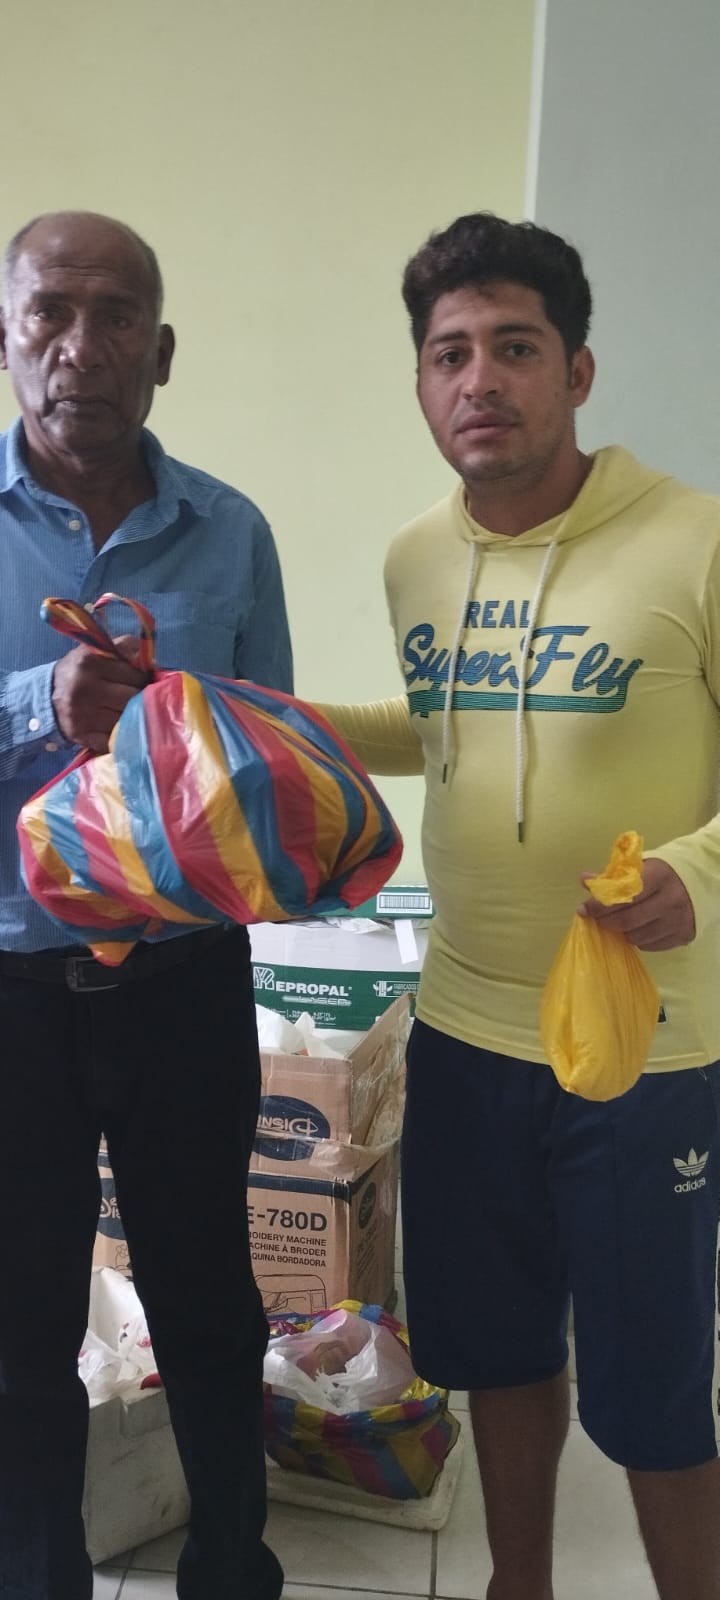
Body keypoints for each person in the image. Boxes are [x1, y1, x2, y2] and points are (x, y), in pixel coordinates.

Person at [317, 212, 720, 1600]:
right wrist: (269, 721)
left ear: (578, 370)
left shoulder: (695, 540)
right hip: (465, 1027)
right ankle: (519, 1583)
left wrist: (698, 873)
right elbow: (441, 721)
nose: (479, 380)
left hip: (644, 1045)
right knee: (495, 1348)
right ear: (423, 383)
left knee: (655, 1387)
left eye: (515, 347)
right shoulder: (414, 558)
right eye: (449, 354)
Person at [0, 211, 290, 1600]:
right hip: (10, 990)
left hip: (184, 982)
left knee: (211, 1304)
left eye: (117, 316)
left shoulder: (231, 532)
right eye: (50, 313)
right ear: (7, 340)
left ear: (161, 352)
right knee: (19, 1328)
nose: (82, 346)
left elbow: (270, 748)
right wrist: (37, 703)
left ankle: (232, 1569)